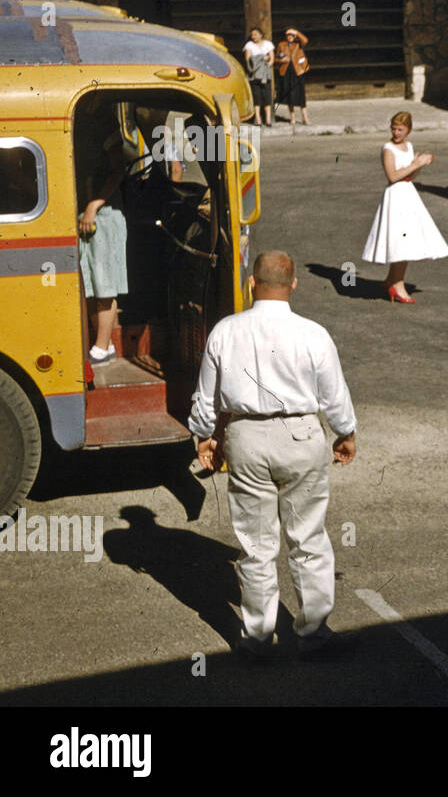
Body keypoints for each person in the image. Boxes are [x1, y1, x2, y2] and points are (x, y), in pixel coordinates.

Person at [189, 250, 359, 661]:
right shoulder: (313, 333)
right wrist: (345, 433)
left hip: (245, 437)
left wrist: (203, 435)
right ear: (294, 285)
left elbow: (207, 396)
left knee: (256, 544)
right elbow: (334, 394)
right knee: (309, 540)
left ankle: (257, 637)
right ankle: (314, 633)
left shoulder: (225, 331)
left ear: (252, 283)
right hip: (302, 436)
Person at [361, 112, 448, 302]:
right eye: (393, 128)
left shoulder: (408, 146)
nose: (396, 133)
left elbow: (411, 176)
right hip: (395, 196)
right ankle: (398, 285)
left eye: (400, 129)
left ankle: (391, 280)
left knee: (404, 238)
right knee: (401, 240)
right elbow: (392, 176)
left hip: (408, 194)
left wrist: (419, 165)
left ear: (408, 130)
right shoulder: (388, 149)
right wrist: (415, 164)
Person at [77, 108, 130, 364]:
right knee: (90, 283)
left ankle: (102, 346)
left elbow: (117, 170)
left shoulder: (104, 124)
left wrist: (93, 206)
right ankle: (104, 343)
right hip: (87, 214)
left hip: (104, 214)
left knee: (104, 283)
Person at [274, 27, 310, 125]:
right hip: (286, 71)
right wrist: (281, 60)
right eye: (288, 35)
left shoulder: (299, 44)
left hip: (298, 71)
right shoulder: (281, 45)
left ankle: (305, 117)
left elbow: (305, 40)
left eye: (292, 35)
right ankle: (292, 117)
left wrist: (296, 32)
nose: (290, 37)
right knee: (289, 95)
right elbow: (276, 58)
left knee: (301, 95)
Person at [242, 28, 275, 126]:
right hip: (255, 75)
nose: (253, 37)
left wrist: (266, 66)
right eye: (252, 35)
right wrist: (261, 59)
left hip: (265, 74)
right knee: (257, 97)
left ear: (261, 35)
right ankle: (258, 119)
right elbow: (248, 59)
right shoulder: (249, 45)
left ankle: (268, 119)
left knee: (267, 97)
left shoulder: (268, 44)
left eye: (255, 34)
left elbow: (272, 58)